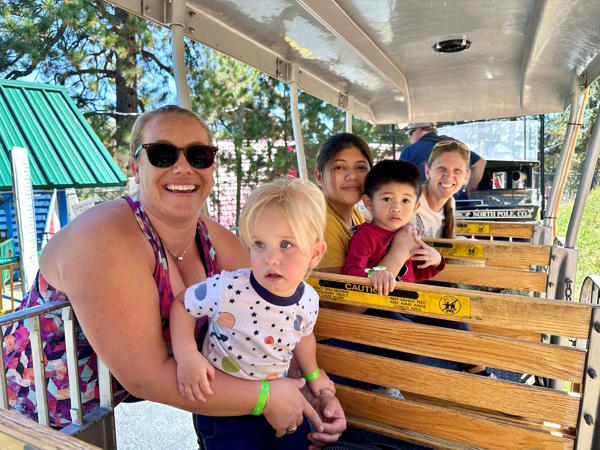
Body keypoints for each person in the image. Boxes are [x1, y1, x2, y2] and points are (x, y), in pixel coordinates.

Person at [2, 105, 345, 448]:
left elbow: (276, 318)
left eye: (198, 155)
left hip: (93, 410)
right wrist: (269, 398)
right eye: (162, 154)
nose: (183, 167)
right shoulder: (102, 237)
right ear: (135, 167)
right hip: (28, 422)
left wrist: (310, 395)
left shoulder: (216, 240)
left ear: (211, 167)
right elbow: (145, 377)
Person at [170, 177, 335, 449]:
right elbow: (182, 305)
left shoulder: (309, 300)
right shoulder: (227, 288)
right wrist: (186, 355)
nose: (270, 258)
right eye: (259, 244)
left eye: (286, 245)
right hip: (225, 408)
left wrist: (314, 375)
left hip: (281, 395)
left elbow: (304, 337)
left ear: (316, 254)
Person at [342, 160, 445, 292]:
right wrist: (372, 275)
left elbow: (415, 272)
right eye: (387, 199)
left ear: (416, 207)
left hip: (408, 303)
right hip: (381, 308)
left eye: (405, 201)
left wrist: (436, 259)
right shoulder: (365, 236)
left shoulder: (409, 234)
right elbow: (350, 273)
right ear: (369, 203)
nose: (396, 208)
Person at [314, 133, 373, 270]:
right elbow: (342, 289)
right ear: (319, 176)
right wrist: (399, 253)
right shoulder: (322, 223)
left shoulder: (355, 214)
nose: (352, 176)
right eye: (339, 167)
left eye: (361, 168)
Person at [400, 123, 485, 195]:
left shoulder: (410, 150)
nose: (409, 138)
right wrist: (470, 191)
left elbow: (400, 180)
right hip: (452, 201)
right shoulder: (454, 144)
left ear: (418, 131)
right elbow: (480, 163)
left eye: (410, 134)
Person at [413, 140, 471, 238]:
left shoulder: (451, 202)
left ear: (466, 176)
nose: (448, 177)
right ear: (427, 171)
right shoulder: (411, 200)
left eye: (457, 171)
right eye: (441, 169)